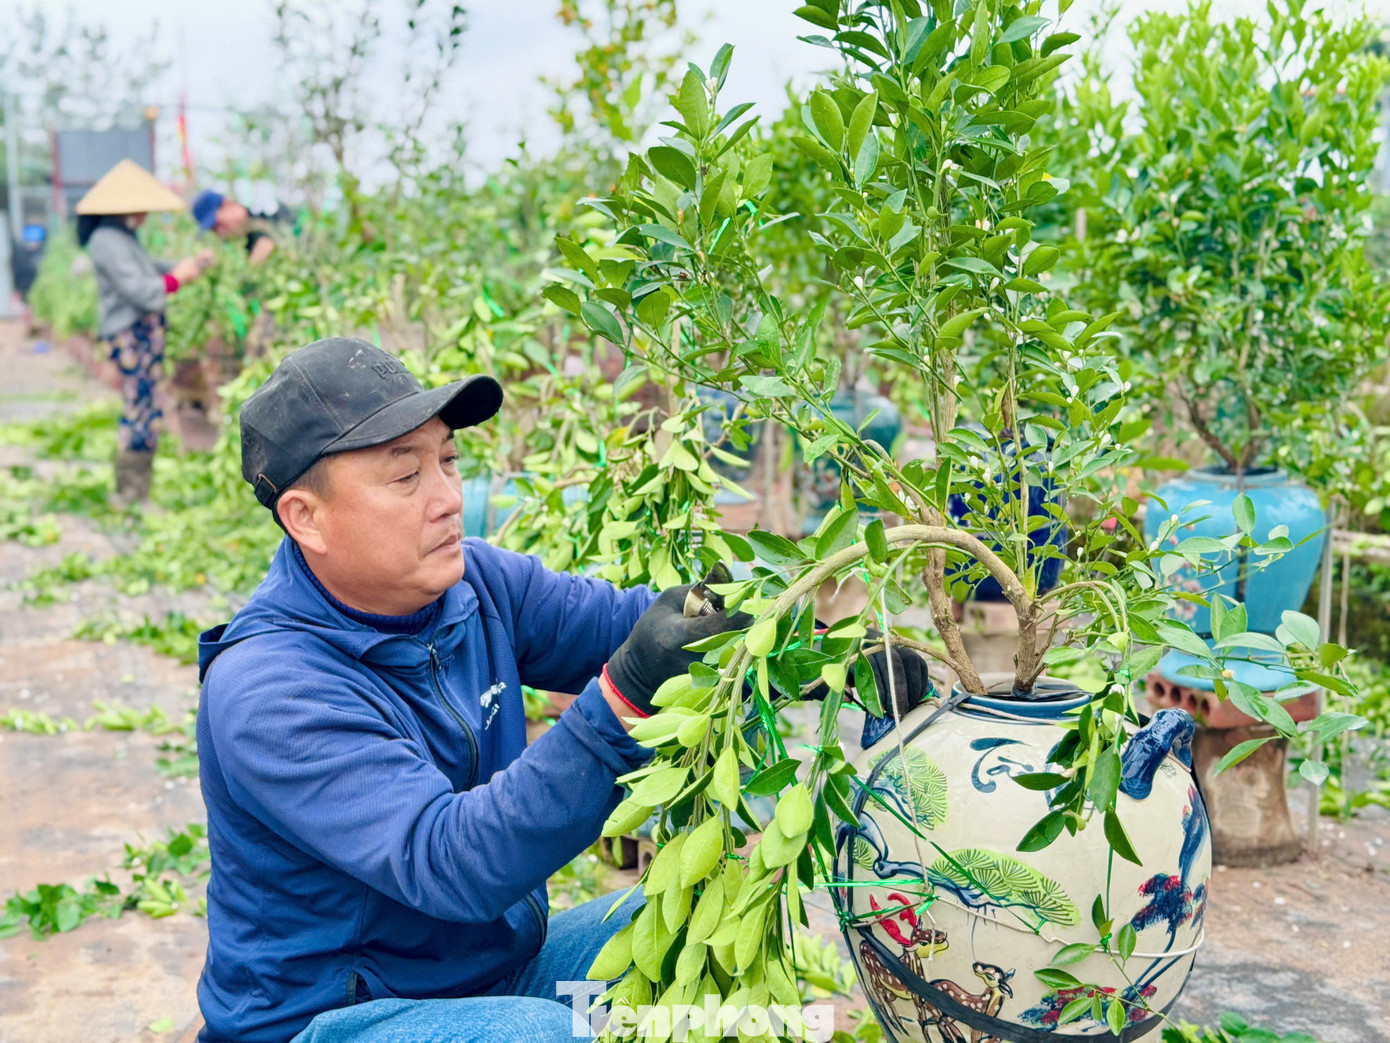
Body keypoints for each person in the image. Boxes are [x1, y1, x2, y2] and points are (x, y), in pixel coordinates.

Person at [193, 337, 931, 1043]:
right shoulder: (270, 690)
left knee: (702, 923)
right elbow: (453, 861)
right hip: (333, 1020)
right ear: (307, 518)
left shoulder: (476, 585)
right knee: (541, 1035)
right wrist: (622, 699)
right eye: (405, 476)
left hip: (488, 975)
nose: (448, 498)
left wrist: (814, 649)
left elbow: (637, 625)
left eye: (447, 461)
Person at [75, 159, 215, 504]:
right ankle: (131, 496)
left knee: (146, 407)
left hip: (140, 337)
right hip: (130, 337)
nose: (145, 214)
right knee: (139, 410)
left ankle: (135, 494)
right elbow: (141, 289)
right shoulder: (106, 239)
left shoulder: (121, 236)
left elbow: (151, 267)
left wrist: (190, 264)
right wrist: (177, 279)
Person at [192, 189, 292, 266]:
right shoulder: (236, 245)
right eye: (214, 230)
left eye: (219, 225)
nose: (221, 233)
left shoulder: (270, 209)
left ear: (228, 205)